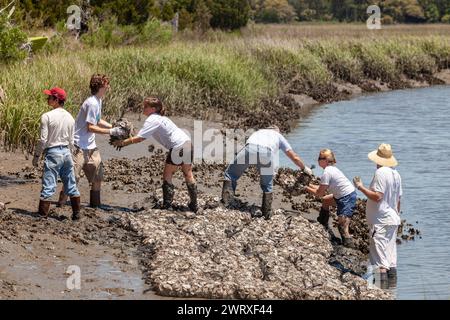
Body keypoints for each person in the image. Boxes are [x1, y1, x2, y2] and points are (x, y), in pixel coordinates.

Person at [112, 97, 198, 212]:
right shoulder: (162, 118)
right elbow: (141, 135)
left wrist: (122, 143)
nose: (143, 108)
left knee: (167, 175)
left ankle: (167, 205)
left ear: (153, 109)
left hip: (178, 146)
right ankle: (194, 205)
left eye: (145, 106)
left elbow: (140, 138)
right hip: (188, 143)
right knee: (188, 174)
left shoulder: (152, 119)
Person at [58, 74, 124, 208]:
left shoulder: (98, 100)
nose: (108, 87)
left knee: (98, 177)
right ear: (100, 86)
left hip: (91, 146)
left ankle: (96, 205)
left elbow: (97, 120)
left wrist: (113, 126)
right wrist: (111, 132)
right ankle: (61, 204)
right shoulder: (92, 103)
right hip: (78, 146)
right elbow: (90, 127)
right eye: (106, 84)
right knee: (73, 178)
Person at [222, 126, 312, 220]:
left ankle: (227, 203)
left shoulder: (258, 132)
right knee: (267, 185)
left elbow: (252, 150)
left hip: (249, 149)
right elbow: (294, 157)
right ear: (278, 131)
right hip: (266, 154)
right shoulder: (279, 136)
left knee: (230, 174)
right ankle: (266, 212)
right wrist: (304, 168)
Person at [353, 143, 402, 286]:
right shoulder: (396, 174)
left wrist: (360, 186)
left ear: (378, 160)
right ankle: (391, 293)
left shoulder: (380, 173)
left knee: (380, 262)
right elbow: (398, 200)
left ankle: (380, 292)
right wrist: (396, 215)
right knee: (391, 261)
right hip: (393, 219)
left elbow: (377, 196)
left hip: (380, 221)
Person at [32, 87, 81, 220]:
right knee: (71, 184)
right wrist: (72, 157)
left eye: (49, 97)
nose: (47, 99)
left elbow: (43, 140)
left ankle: (42, 215)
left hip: (53, 153)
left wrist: (36, 156)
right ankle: (77, 213)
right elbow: (72, 141)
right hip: (66, 153)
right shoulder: (70, 117)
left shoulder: (46, 116)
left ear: (56, 100)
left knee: (48, 184)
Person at [305, 149, 357, 248]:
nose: (318, 160)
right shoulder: (331, 169)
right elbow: (322, 188)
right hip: (341, 195)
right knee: (326, 200)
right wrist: (309, 185)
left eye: (319, 158)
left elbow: (319, 193)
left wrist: (305, 188)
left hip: (347, 197)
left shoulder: (327, 173)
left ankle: (349, 247)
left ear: (325, 160)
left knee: (343, 226)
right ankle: (323, 222)